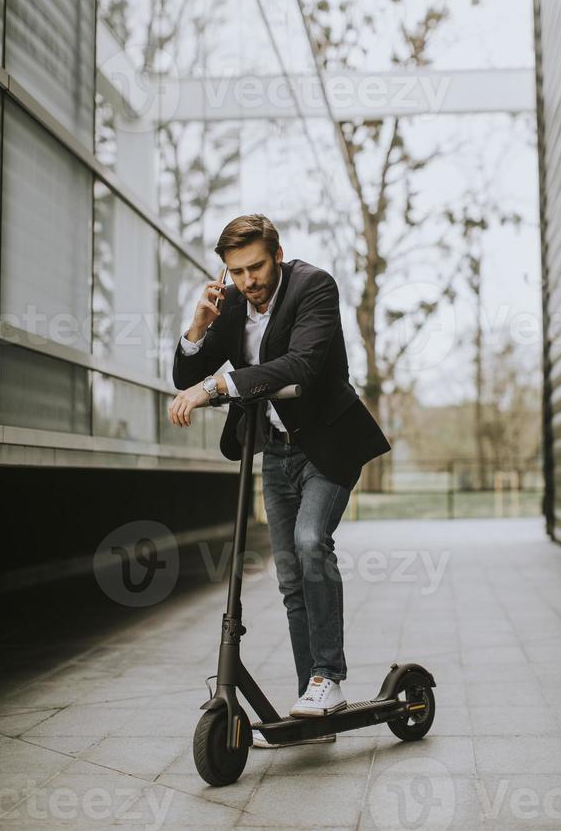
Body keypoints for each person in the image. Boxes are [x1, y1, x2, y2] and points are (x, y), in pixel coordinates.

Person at [168, 214, 390, 747]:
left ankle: (328, 678)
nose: (249, 281)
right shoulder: (233, 303)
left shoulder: (314, 286)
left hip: (328, 446)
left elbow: (303, 365)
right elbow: (182, 377)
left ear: (278, 254)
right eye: (236, 271)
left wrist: (216, 386)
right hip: (273, 452)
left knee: (312, 543)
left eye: (257, 267)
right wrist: (199, 328)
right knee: (290, 576)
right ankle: (309, 706)